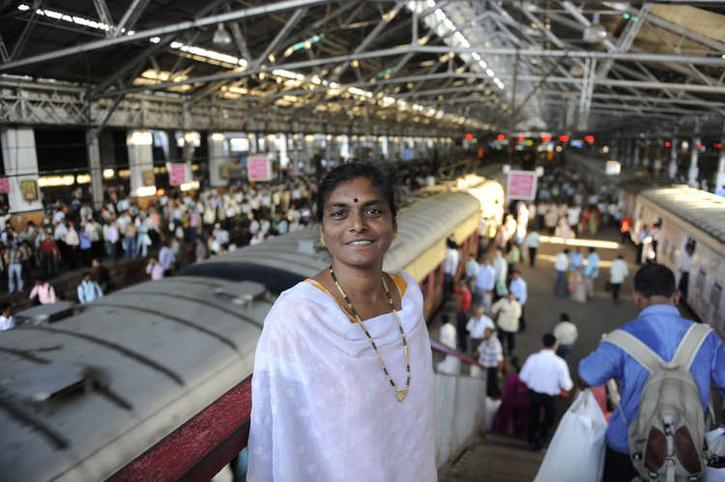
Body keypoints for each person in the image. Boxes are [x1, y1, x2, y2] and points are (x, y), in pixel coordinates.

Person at [248, 163, 436, 481]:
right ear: (322, 231)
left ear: (394, 225)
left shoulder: (409, 298)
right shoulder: (299, 313)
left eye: (373, 211)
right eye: (339, 213)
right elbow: (279, 423)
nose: (357, 225)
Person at [579, 263, 725, 482]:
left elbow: (587, 375)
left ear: (637, 297)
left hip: (626, 450)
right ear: (676, 295)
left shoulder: (620, 340)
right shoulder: (707, 339)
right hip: (687, 452)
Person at [520, 333, 574, 451]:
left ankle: (531, 438)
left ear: (543, 343)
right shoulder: (560, 363)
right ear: (555, 346)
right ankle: (540, 441)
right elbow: (567, 385)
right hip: (551, 397)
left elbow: (523, 377)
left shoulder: (533, 358)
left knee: (534, 416)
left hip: (534, 393)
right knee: (549, 419)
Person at [475, 327, 504, 398]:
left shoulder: (495, 344)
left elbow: (499, 359)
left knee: (492, 385)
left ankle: (493, 398)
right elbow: (479, 351)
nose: (484, 335)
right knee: (485, 384)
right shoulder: (485, 341)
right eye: (484, 333)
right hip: (483, 367)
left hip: (492, 368)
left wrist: (499, 372)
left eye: (486, 334)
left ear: (490, 334)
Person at [455, 279, 472, 352]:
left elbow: (461, 306)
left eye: (461, 286)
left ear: (465, 286)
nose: (460, 288)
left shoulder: (466, 295)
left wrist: (458, 303)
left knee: (462, 331)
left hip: (463, 314)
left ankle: (464, 348)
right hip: (460, 313)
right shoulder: (461, 291)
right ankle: (460, 343)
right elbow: (457, 290)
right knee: (459, 329)